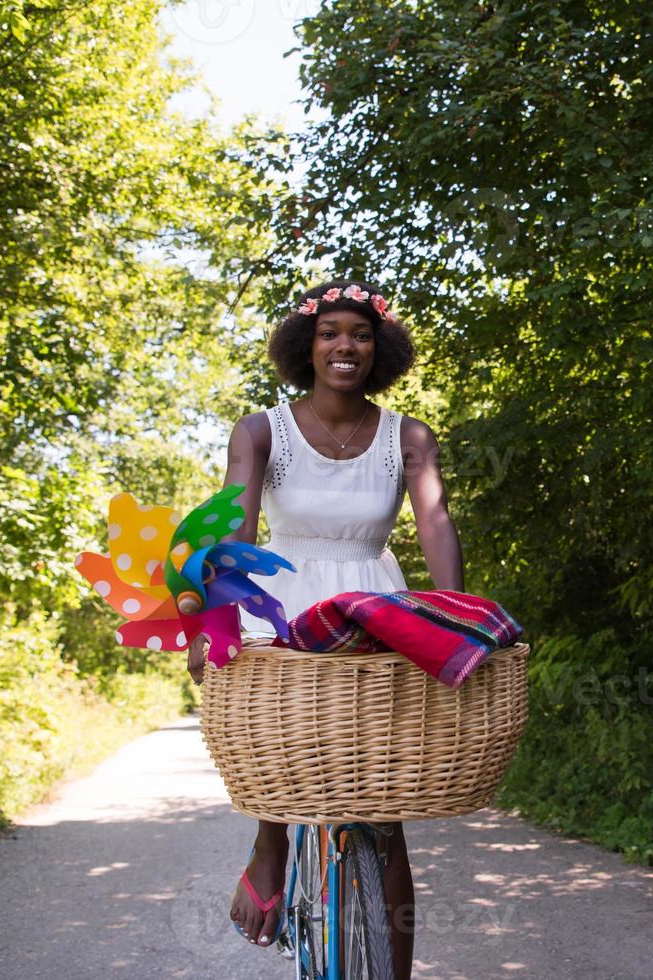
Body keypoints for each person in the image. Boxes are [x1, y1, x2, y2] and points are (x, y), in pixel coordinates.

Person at [188, 279, 464, 980]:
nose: (346, 345)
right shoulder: (260, 430)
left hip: (374, 601)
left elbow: (432, 520)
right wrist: (217, 614)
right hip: (279, 599)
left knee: (384, 809)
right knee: (285, 755)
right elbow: (236, 523)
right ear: (305, 347)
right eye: (330, 332)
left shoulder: (408, 435)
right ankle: (270, 843)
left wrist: (458, 616)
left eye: (361, 334)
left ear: (381, 349)